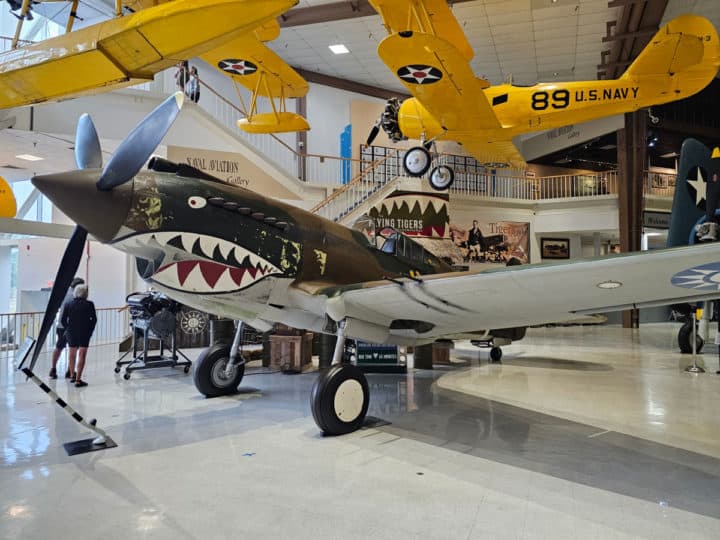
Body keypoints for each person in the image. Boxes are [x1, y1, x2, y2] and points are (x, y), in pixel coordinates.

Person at [60, 284, 97, 387]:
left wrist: (68, 329)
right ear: (85, 294)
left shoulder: (68, 304)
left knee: (72, 355)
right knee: (82, 355)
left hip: (71, 332)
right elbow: (93, 319)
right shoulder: (89, 304)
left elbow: (63, 320)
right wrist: (90, 330)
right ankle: (78, 379)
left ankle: (72, 375)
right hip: (84, 332)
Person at [49, 276, 85, 379]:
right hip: (72, 327)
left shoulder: (64, 293)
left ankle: (53, 369)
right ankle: (70, 371)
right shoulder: (76, 296)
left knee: (59, 347)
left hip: (61, 325)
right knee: (73, 349)